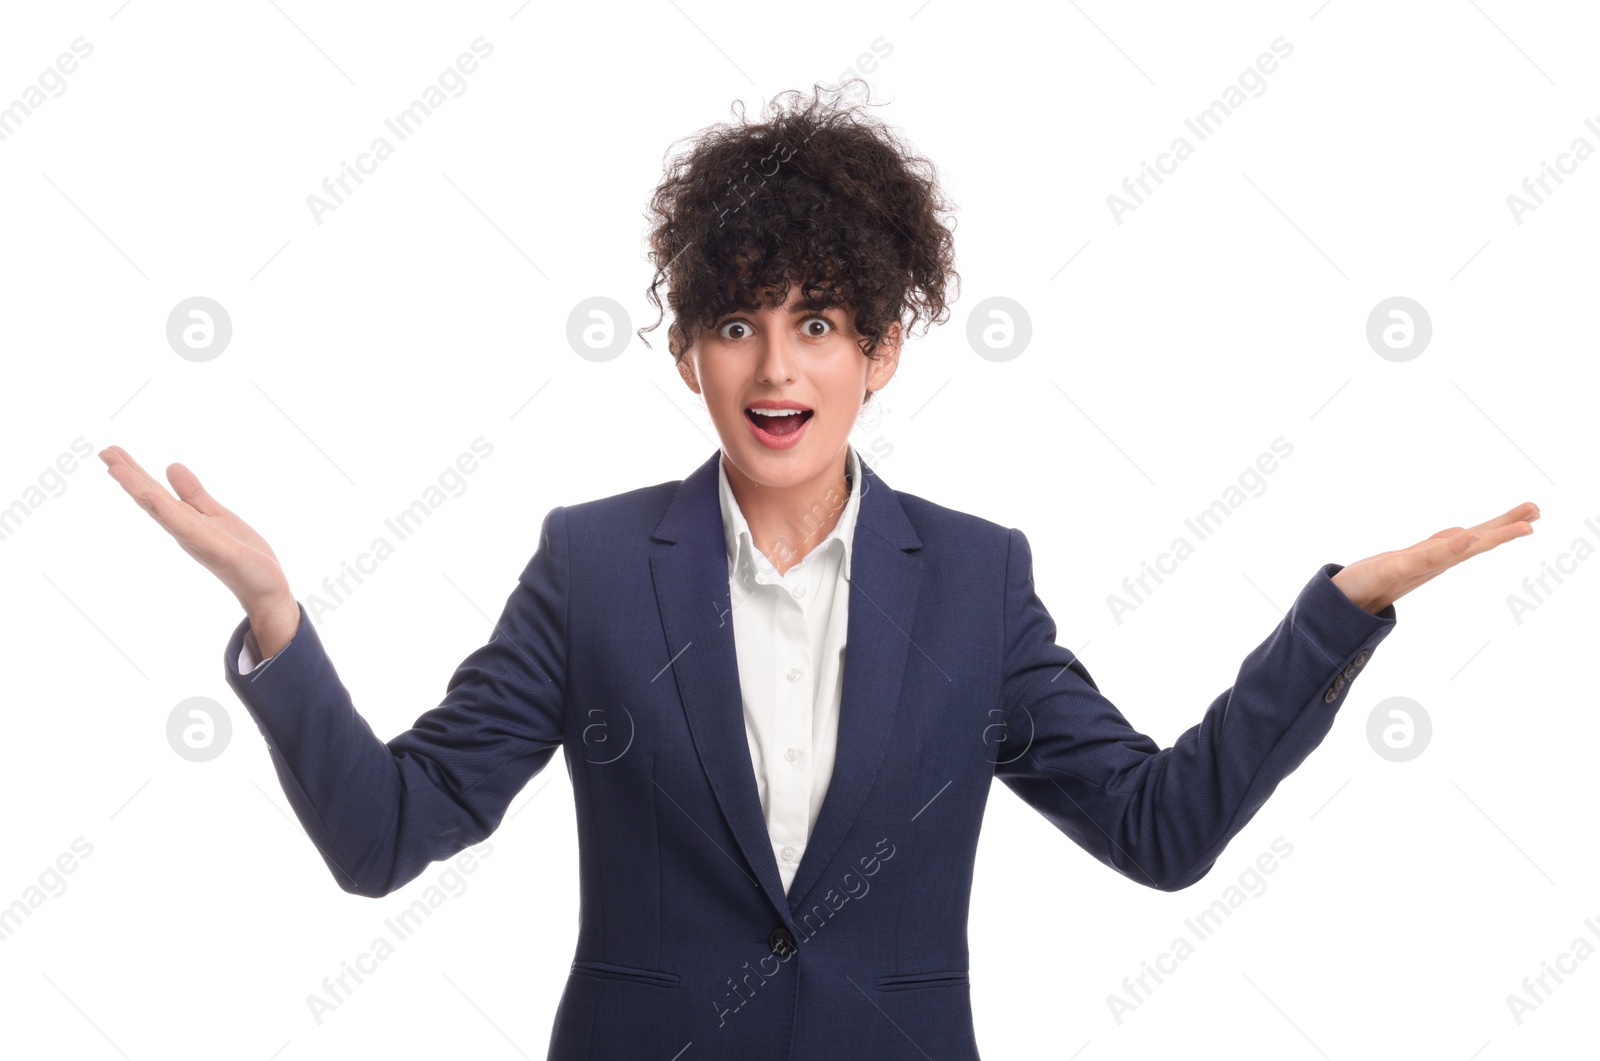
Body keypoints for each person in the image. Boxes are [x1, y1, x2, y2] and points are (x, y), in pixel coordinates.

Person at [99, 81, 1538, 1059]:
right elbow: (387, 834)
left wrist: (1341, 614)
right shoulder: (593, 566)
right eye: (736, 322)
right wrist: (275, 616)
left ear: (882, 351)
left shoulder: (976, 583)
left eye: (822, 321)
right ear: (685, 354)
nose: (778, 365)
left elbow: (1158, 829)